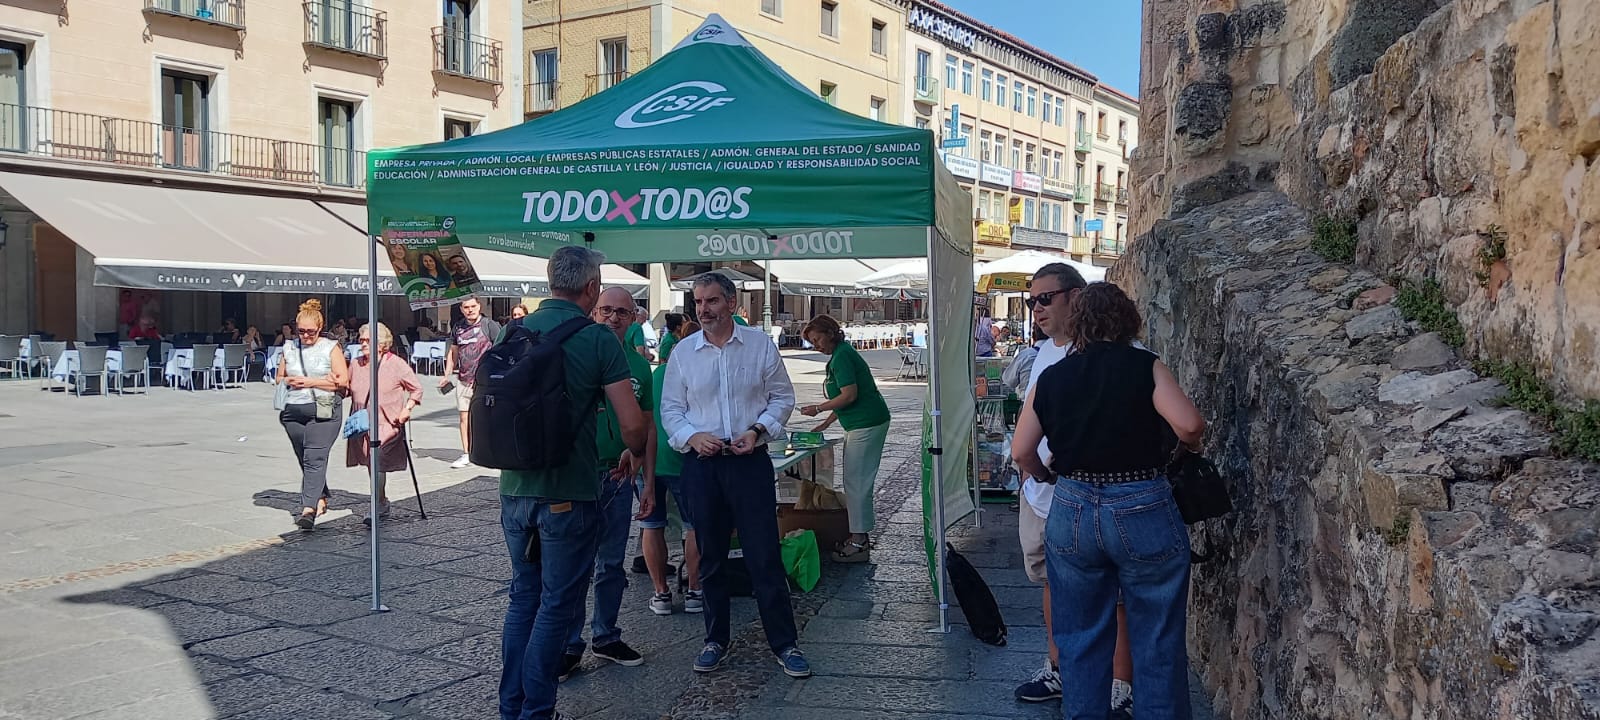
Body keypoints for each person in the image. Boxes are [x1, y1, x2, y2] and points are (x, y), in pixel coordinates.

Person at [499, 246, 647, 720]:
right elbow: (633, 425)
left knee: (523, 598)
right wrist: (635, 448)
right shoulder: (597, 338)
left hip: (515, 488)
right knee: (556, 605)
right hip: (569, 489)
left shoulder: (513, 329)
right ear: (592, 287)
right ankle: (537, 712)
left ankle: (511, 708)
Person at [1008, 270, 1163, 718]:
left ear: (1076, 298)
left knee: (1114, 598)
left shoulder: (1132, 358)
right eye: (1031, 302)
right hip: (1046, 496)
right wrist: (1033, 477)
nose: (1036, 309)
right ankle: (1058, 668)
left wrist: (1039, 470)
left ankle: (1119, 683)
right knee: (1051, 583)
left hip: (1093, 494)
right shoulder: (1044, 353)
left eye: (1046, 299)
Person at [659, 273, 809, 678]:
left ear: (731, 303)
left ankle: (785, 643)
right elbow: (671, 409)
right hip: (703, 465)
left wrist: (758, 430)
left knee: (764, 555)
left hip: (748, 462)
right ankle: (715, 639)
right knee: (710, 557)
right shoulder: (684, 353)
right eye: (698, 302)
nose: (703, 309)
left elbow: (782, 398)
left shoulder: (759, 345)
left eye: (711, 301)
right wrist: (693, 437)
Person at [558, 287, 659, 674]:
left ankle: (605, 635)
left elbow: (648, 426)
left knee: (612, 562)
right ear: (593, 312)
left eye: (622, 312)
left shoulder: (639, 366)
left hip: (619, 477)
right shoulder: (577, 353)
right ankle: (569, 643)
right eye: (606, 310)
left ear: (634, 318)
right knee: (574, 564)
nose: (613, 318)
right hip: (578, 474)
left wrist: (648, 481)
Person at [798, 314, 891, 563]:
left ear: (830, 333)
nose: (816, 346)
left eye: (817, 340)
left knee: (857, 482)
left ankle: (859, 541)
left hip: (866, 422)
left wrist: (819, 408)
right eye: (812, 342)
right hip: (861, 422)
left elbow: (849, 395)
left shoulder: (841, 357)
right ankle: (858, 535)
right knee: (854, 480)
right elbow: (843, 399)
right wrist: (825, 423)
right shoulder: (840, 355)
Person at [640, 318, 703, 616]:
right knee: (693, 526)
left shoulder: (658, 373)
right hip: (684, 456)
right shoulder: (695, 371)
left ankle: (661, 593)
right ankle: (694, 591)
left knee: (651, 525)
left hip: (650, 457)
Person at [275, 299, 349, 531]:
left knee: (314, 457)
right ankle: (320, 494)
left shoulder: (330, 347)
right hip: (293, 410)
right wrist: (288, 380)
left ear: (320, 328)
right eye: (301, 331)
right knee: (304, 455)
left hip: (323, 409)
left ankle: (308, 509)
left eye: (311, 331)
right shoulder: (289, 348)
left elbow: (342, 381)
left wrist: (310, 382)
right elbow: (279, 378)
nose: (306, 336)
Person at [346, 321, 422, 524]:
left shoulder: (396, 364)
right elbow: (345, 389)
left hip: (388, 423)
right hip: (363, 424)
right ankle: (381, 499)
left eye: (367, 340)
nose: (363, 344)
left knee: (377, 461)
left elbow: (416, 388)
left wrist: (407, 409)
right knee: (372, 465)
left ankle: (376, 505)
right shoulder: (356, 364)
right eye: (361, 340)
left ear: (381, 343)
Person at [440, 296, 501, 469]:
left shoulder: (489, 325)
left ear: (479, 306)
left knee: (488, 416)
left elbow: (501, 348)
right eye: (466, 307)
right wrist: (447, 374)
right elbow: (453, 352)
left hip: (485, 381)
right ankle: (466, 453)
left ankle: (490, 450)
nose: (470, 310)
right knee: (464, 417)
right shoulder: (458, 328)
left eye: (473, 306)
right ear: (461, 309)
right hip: (464, 379)